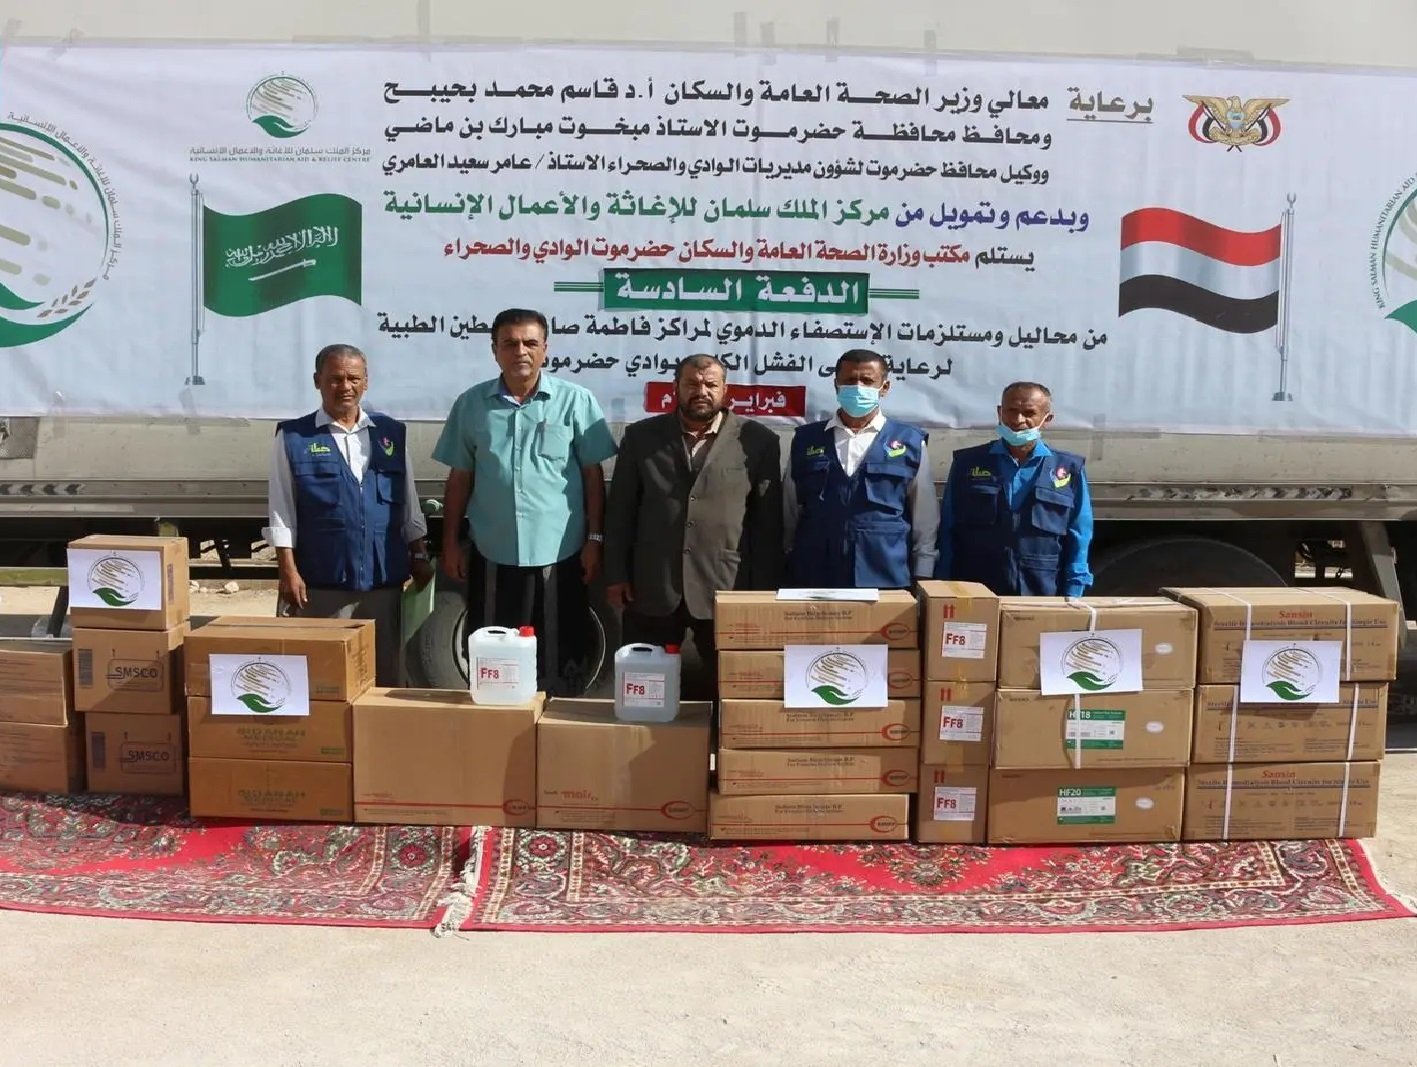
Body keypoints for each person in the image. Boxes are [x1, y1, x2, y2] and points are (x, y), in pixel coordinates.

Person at [434, 308, 617, 696]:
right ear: (495, 350)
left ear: (545, 349)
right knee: (496, 657)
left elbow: (592, 476)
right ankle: (500, 724)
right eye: (510, 343)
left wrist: (595, 539)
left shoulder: (575, 401)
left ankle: (555, 720)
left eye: (530, 343)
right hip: (492, 552)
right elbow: (460, 479)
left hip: (561, 553)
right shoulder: (471, 404)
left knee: (561, 655)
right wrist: (449, 543)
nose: (521, 351)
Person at [603, 354, 783, 684]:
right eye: (692, 384)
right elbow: (620, 512)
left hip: (726, 585)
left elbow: (767, 524)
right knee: (645, 686)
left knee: (728, 686)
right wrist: (616, 574)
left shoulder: (758, 441)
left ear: (725, 390)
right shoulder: (641, 437)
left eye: (711, 385)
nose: (701, 391)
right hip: (653, 584)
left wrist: (763, 589)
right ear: (676, 387)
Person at [265, 343, 433, 686]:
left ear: (366, 382)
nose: (345, 386)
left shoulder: (390, 434)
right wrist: (288, 570)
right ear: (318, 381)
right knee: (323, 679)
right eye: (335, 379)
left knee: (383, 676)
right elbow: (281, 509)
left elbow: (408, 502)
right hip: (323, 582)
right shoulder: (293, 437)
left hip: (382, 583)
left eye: (353, 378)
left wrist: (419, 554)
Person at [784, 349, 937, 589]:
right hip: (816, 575)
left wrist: (923, 571)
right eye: (849, 380)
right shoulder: (806, 440)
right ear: (836, 385)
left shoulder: (909, 442)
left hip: (884, 574)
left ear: (884, 387)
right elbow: (789, 510)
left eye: (867, 381)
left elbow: (925, 517)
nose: (858, 387)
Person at [935, 380, 1094, 596]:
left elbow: (1079, 533)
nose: (1019, 420)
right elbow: (948, 528)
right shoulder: (968, 463)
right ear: (1000, 413)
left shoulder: (1068, 469)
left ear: (1046, 419)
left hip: (1042, 589)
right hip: (976, 589)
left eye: (1029, 413)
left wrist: (1074, 591)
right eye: (1012, 411)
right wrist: (943, 586)